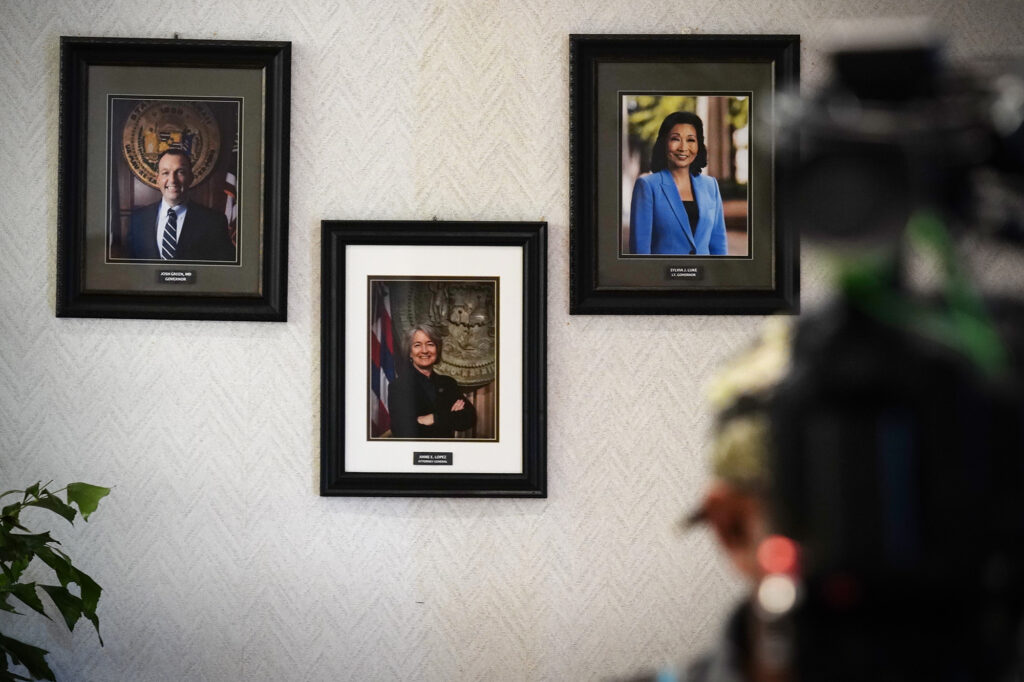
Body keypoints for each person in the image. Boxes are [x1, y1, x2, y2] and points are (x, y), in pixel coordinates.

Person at [629, 111, 727, 256]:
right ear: (664, 143)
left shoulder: (711, 186)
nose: (683, 147)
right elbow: (640, 252)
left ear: (699, 145)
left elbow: (719, 247)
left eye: (691, 140)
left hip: (704, 277)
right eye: (675, 139)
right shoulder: (647, 186)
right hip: (662, 277)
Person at [125, 149, 236, 262]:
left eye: (180, 172)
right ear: (158, 179)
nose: (173, 180)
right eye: (165, 173)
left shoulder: (214, 221)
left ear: (191, 178)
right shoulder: (138, 219)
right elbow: (129, 268)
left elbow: (224, 269)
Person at [387, 324, 477, 439]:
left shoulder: (448, 383)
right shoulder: (399, 386)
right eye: (417, 345)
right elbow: (402, 430)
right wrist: (450, 416)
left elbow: (469, 418)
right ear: (410, 352)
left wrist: (433, 418)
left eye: (430, 344)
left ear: (437, 349)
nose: (424, 350)